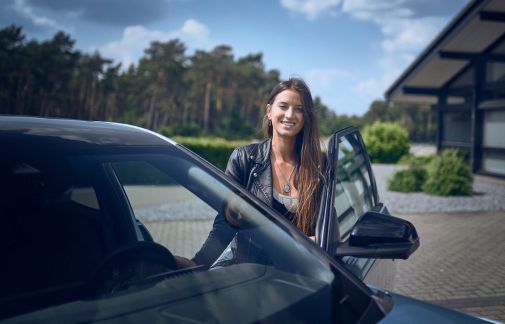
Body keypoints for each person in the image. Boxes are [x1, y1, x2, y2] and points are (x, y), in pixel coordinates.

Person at [191, 77, 324, 267]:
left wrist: (319, 239)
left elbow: (329, 226)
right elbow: (226, 223)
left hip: (304, 271)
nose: (290, 114)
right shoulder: (244, 159)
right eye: (283, 106)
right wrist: (198, 263)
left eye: (299, 109)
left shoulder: (320, 165)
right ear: (269, 111)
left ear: (306, 117)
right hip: (253, 272)